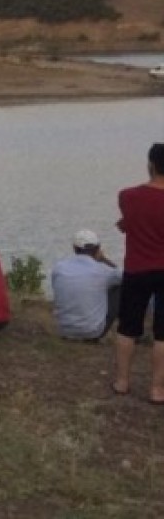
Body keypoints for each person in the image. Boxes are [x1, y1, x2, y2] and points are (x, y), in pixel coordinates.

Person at [112, 143, 164, 404]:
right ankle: (157, 389)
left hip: (137, 269)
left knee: (128, 327)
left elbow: (132, 218)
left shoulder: (127, 196)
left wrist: (127, 223)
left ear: (150, 165)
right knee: (163, 333)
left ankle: (122, 382)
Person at [51, 229, 122, 342]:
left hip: (65, 330)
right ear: (97, 249)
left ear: (74, 248)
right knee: (119, 287)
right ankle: (129, 332)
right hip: (93, 332)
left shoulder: (59, 267)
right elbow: (126, 276)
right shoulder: (103, 271)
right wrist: (104, 260)